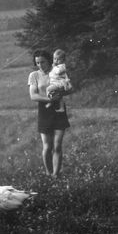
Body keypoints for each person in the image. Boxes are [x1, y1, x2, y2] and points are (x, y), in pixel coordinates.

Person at [28, 49, 73, 178]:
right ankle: (48, 174)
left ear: (49, 60)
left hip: (59, 109)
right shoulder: (34, 75)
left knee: (57, 146)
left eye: (43, 62)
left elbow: (70, 88)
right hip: (44, 111)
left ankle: (56, 175)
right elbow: (33, 95)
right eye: (37, 62)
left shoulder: (57, 71)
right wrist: (49, 99)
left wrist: (61, 93)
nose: (40, 65)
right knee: (47, 146)